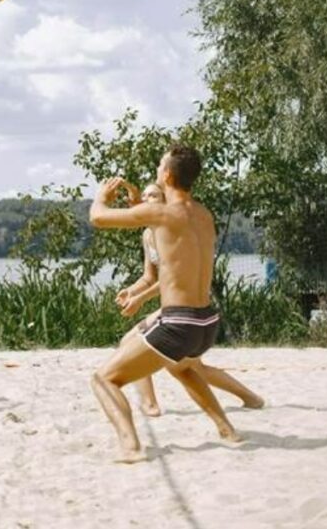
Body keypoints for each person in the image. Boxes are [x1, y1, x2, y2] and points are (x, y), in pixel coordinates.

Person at [88, 145, 241, 463]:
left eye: (159, 166)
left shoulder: (162, 213)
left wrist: (103, 195)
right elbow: (171, 246)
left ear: (168, 175)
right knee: (181, 367)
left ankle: (130, 447)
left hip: (179, 323)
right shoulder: (203, 214)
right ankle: (227, 429)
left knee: (104, 378)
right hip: (207, 322)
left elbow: (98, 218)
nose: (157, 170)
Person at [116, 182, 264, 416]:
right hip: (177, 311)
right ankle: (251, 397)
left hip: (186, 310)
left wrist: (141, 299)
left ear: (164, 200)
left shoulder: (171, 230)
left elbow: (170, 277)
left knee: (131, 342)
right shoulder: (147, 234)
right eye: (144, 196)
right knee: (192, 367)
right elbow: (149, 277)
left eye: (153, 195)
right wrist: (132, 291)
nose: (146, 199)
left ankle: (150, 405)